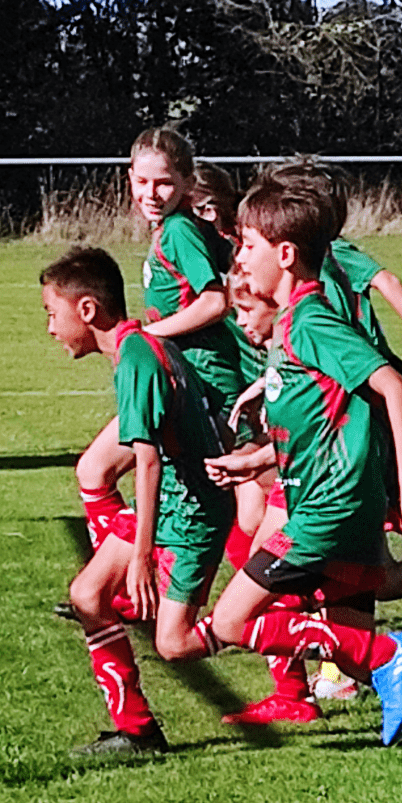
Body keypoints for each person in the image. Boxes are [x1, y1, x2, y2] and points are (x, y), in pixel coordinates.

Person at [196, 172, 402, 803]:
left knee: (230, 621)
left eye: (248, 245)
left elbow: (393, 385)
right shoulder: (290, 328)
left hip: (326, 514)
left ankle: (396, 650)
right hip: (333, 507)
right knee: (359, 653)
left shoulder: (310, 321)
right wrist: (258, 460)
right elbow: (320, 421)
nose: (239, 258)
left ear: (284, 255)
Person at [40, 246, 234, 756]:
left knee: (175, 643)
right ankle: (137, 731)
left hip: (192, 512)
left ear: (87, 310)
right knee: (87, 595)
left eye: (51, 313)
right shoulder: (135, 350)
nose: (50, 328)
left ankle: (310, 631)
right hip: (173, 500)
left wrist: (143, 555)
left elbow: (147, 463)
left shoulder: (136, 360)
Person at [72, 129, 246, 560]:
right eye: (142, 182)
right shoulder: (174, 227)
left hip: (201, 381)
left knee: (211, 501)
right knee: (225, 501)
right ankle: (123, 581)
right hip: (184, 377)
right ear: (129, 179)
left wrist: (150, 336)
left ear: (187, 181)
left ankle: (128, 580)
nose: (151, 192)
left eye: (164, 182)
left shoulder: (178, 231)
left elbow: (214, 301)